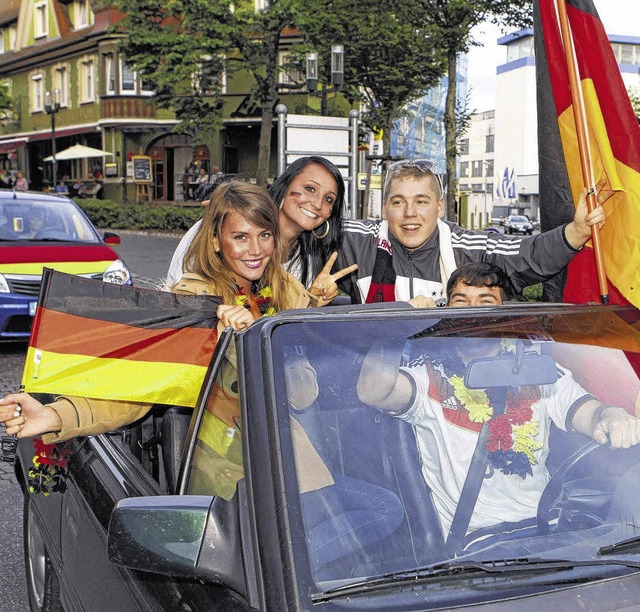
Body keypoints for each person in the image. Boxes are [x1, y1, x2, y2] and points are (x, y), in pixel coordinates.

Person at [0, 181, 402, 572]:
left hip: (284, 460)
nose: (256, 249)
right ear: (215, 240)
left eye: (264, 235)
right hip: (233, 473)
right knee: (376, 516)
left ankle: (280, 567)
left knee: (385, 508)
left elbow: (303, 335)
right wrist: (55, 417)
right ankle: (269, 568)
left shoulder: (275, 284)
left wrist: (317, 300)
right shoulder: (194, 300)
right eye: (240, 237)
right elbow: (140, 387)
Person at [355, 261, 640, 537]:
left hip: (549, 527)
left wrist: (611, 416)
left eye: (485, 300)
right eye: (461, 302)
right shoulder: (429, 375)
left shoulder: (538, 370)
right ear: (446, 310)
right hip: (479, 542)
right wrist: (397, 325)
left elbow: (589, 414)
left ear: (504, 312)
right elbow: (374, 391)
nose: (473, 312)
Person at [337, 159, 609, 305]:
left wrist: (577, 231)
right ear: (385, 209)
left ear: (440, 207)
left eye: (421, 201)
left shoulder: (466, 247)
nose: (410, 213)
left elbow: (528, 254)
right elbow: (311, 228)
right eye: (398, 202)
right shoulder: (356, 240)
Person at [167, 156, 353, 294]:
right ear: (285, 186)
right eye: (310, 189)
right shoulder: (215, 227)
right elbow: (177, 296)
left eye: (329, 199)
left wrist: (310, 303)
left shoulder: (309, 261)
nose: (318, 204)